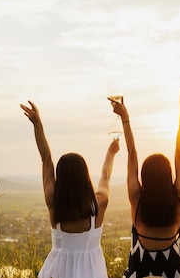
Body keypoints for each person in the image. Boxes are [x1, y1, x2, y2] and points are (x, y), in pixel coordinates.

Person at [20, 100, 120, 278]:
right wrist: (111, 152)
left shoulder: (54, 203)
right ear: (85, 177)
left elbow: (46, 159)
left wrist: (38, 125)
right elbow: (105, 175)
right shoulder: (98, 206)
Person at [109, 88, 180, 278]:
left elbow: (132, 152)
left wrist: (125, 117)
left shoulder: (136, 199)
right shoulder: (179, 198)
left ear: (144, 177)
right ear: (168, 176)